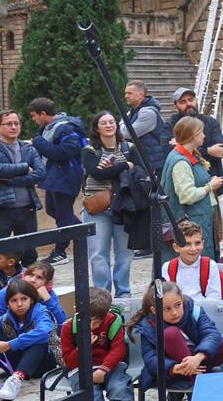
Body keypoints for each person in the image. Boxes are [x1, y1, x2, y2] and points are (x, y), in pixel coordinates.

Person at [59, 287, 135, 401]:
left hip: (110, 366)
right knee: (90, 394)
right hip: (80, 368)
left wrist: (104, 370)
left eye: (97, 322)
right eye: (89, 321)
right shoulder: (68, 327)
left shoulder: (113, 321)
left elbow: (118, 350)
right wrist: (84, 347)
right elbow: (68, 360)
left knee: (121, 389)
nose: (93, 326)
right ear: (76, 311)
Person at [0, 111, 46, 261]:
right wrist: (24, 168)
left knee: (29, 255)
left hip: (27, 209)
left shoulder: (28, 149)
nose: (13, 127)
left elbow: (40, 174)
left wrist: (10, 180)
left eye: (16, 123)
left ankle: (29, 285)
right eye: (9, 124)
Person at [24, 98, 85, 265]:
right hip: (54, 176)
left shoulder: (64, 128)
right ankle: (84, 231)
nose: (33, 119)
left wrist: (39, 142)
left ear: (43, 114)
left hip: (66, 176)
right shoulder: (47, 128)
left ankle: (60, 252)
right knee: (53, 210)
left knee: (64, 214)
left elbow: (66, 152)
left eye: (34, 115)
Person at [80, 111, 133, 297]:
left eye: (112, 122)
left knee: (125, 255)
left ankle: (124, 294)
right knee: (98, 255)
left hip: (124, 206)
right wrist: (125, 166)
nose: (109, 125)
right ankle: (103, 295)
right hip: (97, 209)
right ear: (97, 128)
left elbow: (141, 169)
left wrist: (110, 168)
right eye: (104, 123)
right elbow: (97, 174)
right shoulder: (89, 150)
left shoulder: (128, 148)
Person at [0, 277, 60, 400]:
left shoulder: (41, 313)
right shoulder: (7, 317)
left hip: (44, 363)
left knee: (38, 343)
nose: (20, 304)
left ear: (31, 300)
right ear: (8, 304)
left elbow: (43, 332)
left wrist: (10, 344)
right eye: (14, 300)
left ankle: (15, 380)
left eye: (24, 299)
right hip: (20, 360)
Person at [134, 280, 222, 389]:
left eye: (178, 305)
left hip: (204, 359)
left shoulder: (194, 312)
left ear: (182, 300)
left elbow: (212, 334)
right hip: (178, 371)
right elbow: (150, 358)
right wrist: (173, 368)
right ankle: (199, 385)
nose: (174, 312)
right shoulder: (149, 327)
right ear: (154, 310)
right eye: (167, 309)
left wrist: (198, 357)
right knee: (171, 333)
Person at [162, 117, 223, 258]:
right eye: (201, 132)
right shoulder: (180, 162)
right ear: (192, 136)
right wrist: (210, 186)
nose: (204, 135)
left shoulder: (187, 155)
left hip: (197, 220)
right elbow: (187, 196)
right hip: (190, 225)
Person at [160, 220, 223, 302]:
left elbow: (214, 297)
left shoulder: (210, 265)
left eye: (197, 243)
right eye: (187, 244)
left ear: (203, 243)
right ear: (176, 247)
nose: (193, 248)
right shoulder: (167, 267)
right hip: (178, 311)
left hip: (204, 310)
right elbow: (166, 296)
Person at [168, 88, 223, 181]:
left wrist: (182, 146)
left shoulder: (210, 122)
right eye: (183, 102)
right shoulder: (169, 125)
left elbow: (220, 150)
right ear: (176, 107)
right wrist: (208, 151)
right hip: (183, 178)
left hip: (212, 177)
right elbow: (169, 150)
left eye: (191, 100)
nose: (188, 104)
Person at [118, 81, 171, 175]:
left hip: (153, 164)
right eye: (125, 93)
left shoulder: (148, 113)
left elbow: (127, 133)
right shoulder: (135, 110)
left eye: (129, 93)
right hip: (145, 162)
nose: (126, 96)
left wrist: (122, 120)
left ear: (141, 94)